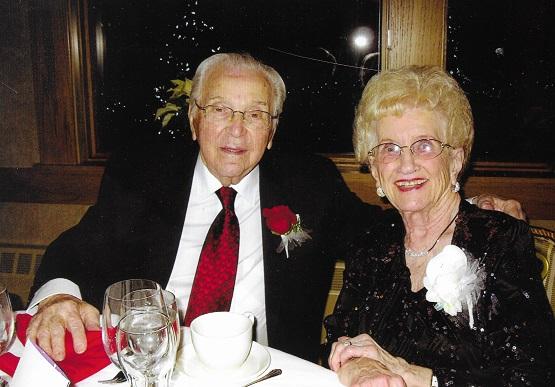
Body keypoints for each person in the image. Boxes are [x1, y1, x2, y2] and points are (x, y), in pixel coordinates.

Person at [27, 53, 525, 364]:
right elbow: (76, 249)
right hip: (159, 367)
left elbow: (393, 224)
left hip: (271, 372)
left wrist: (471, 212)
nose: (237, 129)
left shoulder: (309, 184)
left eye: (255, 115)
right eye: (221, 110)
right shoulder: (144, 174)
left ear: (273, 130)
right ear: (195, 119)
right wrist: (56, 300)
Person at [325, 66, 553, 386]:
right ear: (375, 169)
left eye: (425, 145)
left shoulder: (499, 239)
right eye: (390, 148)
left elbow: (535, 375)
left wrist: (420, 377)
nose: (406, 164)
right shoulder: (372, 242)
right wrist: (357, 366)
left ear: (456, 160)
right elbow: (339, 334)